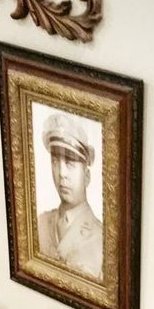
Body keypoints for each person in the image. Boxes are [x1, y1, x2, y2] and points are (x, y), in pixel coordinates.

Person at [37, 111, 103, 280]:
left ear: (86, 176)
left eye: (70, 163)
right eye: (55, 161)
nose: (61, 174)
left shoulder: (101, 238)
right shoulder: (41, 223)